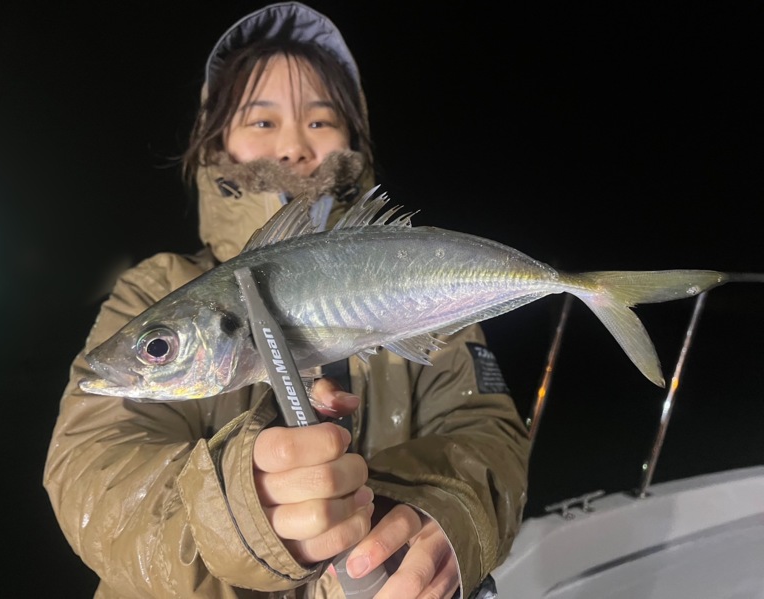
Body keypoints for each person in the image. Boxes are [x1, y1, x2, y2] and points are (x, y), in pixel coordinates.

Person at [43, 3, 530, 598]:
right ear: (217, 141)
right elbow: (91, 467)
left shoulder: (422, 282)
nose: (295, 144)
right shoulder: (155, 287)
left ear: (352, 140)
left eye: (320, 121)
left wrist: (449, 512)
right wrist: (236, 513)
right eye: (263, 120)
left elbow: (487, 431)